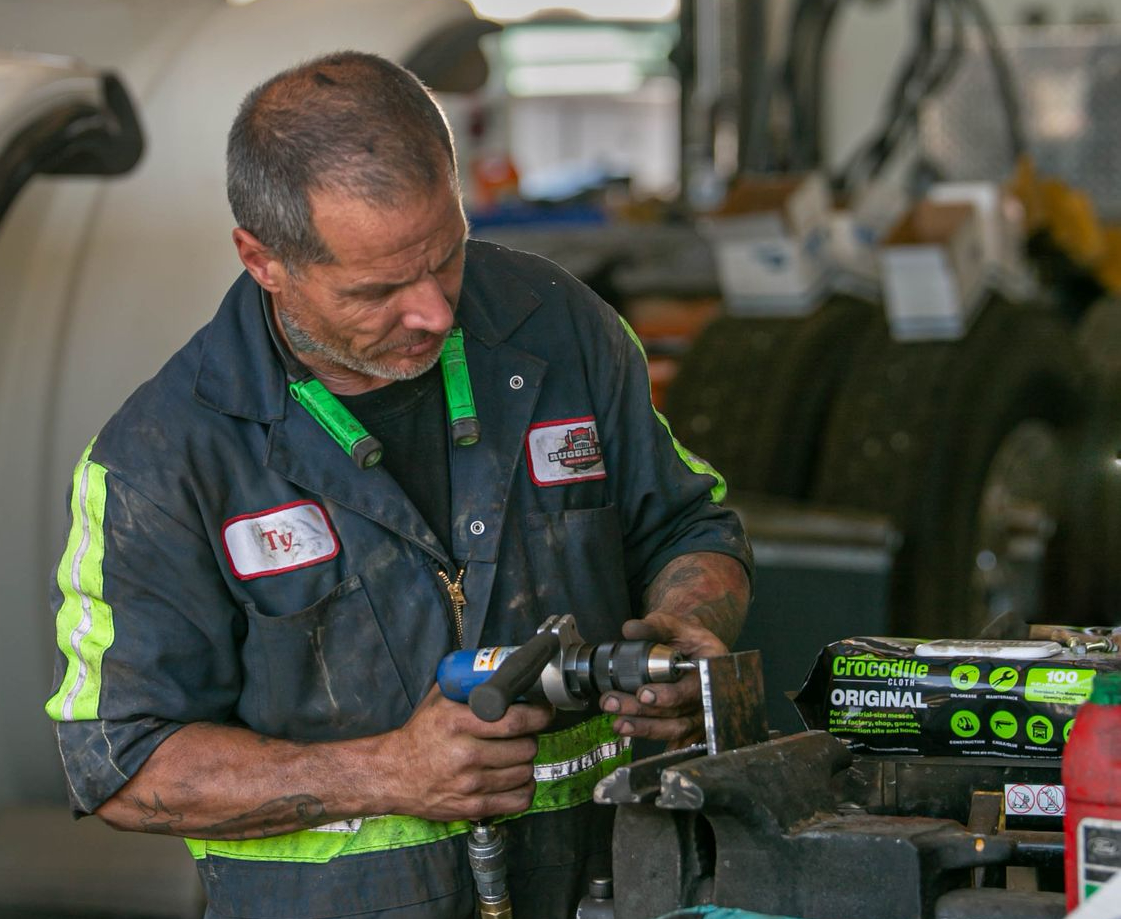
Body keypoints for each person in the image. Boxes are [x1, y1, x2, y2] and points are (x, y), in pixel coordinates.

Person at [46, 50, 752, 919]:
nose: (436, 312)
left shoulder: (557, 327)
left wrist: (689, 635)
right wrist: (383, 772)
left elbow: (692, 530)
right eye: (380, 289)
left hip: (609, 885)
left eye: (445, 255)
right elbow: (120, 760)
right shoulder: (164, 459)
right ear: (263, 260)